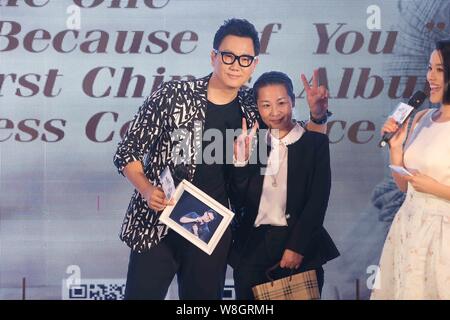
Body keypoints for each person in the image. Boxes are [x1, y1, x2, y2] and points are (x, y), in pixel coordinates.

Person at [113, 18, 330, 300]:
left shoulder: (254, 105)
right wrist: (146, 190)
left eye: (244, 59)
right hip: (158, 224)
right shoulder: (174, 96)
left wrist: (318, 116)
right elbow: (127, 151)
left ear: (254, 64)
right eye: (228, 56)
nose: (235, 65)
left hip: (211, 231)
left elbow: (299, 140)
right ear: (214, 56)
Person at [229, 71, 340, 300]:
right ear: (258, 108)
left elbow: (318, 200)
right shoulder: (253, 143)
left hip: (298, 248)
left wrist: (297, 246)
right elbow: (240, 200)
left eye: (281, 103)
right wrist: (240, 163)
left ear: (293, 101)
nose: (275, 112)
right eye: (266, 105)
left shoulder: (314, 143)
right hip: (251, 250)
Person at [371, 39, 450, 299]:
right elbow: (404, 185)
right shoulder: (421, 117)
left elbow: (426, 184)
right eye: (429, 68)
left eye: (440, 70)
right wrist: (396, 147)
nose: (431, 77)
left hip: (443, 234)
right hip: (409, 226)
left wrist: (435, 188)